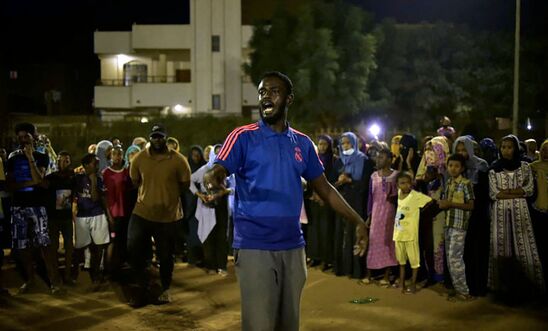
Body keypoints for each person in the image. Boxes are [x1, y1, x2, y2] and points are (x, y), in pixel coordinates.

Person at [203, 72, 367, 331]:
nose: (265, 96)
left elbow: (325, 189)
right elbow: (219, 168)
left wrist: (359, 221)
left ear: (289, 99)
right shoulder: (243, 136)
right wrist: (214, 176)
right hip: (255, 246)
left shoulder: (302, 143)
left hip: (293, 247)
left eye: (273, 91)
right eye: (261, 91)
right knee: (260, 325)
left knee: (288, 325)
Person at [128, 124, 191, 307]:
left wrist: (167, 197)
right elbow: (134, 182)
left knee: (165, 255)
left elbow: (185, 185)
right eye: (154, 136)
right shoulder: (139, 158)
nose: (157, 140)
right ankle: (140, 288)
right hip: (142, 212)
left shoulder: (179, 160)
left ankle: (165, 288)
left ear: (165, 138)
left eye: (160, 137)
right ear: (150, 138)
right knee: (134, 249)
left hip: (168, 216)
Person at [6, 123, 62, 295]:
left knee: (45, 245)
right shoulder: (12, 158)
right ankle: (30, 280)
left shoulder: (41, 156)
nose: (23, 140)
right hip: (18, 207)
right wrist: (33, 182)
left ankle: (54, 282)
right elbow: (12, 185)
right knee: (22, 247)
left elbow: (41, 179)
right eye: (20, 137)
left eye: (27, 137)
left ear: (33, 137)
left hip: (38, 207)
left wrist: (30, 159)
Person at [488, 135, 545, 300]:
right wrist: (516, 192)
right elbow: (494, 193)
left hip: (521, 212)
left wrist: (507, 193)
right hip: (500, 213)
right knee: (501, 248)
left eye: (509, 147)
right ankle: (501, 289)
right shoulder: (494, 169)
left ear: (516, 149)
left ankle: (532, 288)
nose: (506, 150)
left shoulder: (525, 167)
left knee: (525, 250)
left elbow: (528, 190)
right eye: (503, 147)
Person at [333, 132, 373, 279]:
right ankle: (342, 267)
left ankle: (356, 270)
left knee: (355, 234)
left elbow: (364, 185)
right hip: (341, 201)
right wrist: (339, 181)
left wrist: (350, 181)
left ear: (354, 143)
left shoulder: (364, 160)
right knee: (341, 235)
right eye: (343, 143)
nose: (345, 146)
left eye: (348, 143)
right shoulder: (338, 162)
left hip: (357, 202)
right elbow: (331, 184)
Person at [453, 136, 490, 296]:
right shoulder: (457, 167)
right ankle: (464, 286)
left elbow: (483, 193)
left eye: (464, 150)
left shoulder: (480, 165)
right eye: (458, 150)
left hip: (478, 214)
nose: (462, 153)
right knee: (464, 250)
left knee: (477, 249)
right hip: (461, 215)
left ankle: (478, 286)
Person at [437, 154, 475, 301]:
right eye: (450, 165)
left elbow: (471, 206)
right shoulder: (448, 183)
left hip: (459, 226)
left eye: (457, 166)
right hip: (448, 224)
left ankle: (464, 292)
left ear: (462, 168)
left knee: (455, 258)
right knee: (449, 257)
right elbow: (446, 202)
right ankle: (457, 288)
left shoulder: (466, 184)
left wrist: (450, 204)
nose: (453, 168)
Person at [72, 153, 112, 286]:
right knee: (79, 246)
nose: (97, 166)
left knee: (99, 246)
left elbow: (96, 198)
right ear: (86, 165)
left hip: (97, 214)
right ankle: (74, 272)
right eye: (95, 163)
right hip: (82, 216)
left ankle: (96, 273)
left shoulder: (99, 179)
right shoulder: (77, 179)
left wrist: (94, 180)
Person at [190, 144, 229, 276]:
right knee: (208, 236)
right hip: (207, 206)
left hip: (222, 206)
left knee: (222, 236)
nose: (218, 156)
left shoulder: (227, 169)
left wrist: (224, 192)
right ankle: (211, 265)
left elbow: (234, 186)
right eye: (216, 153)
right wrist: (199, 194)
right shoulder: (204, 170)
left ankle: (222, 266)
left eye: (221, 153)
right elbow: (190, 180)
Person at [362, 147, 398, 286]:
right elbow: (370, 198)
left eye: (381, 157)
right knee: (373, 242)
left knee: (388, 243)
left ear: (389, 159)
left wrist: (394, 196)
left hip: (390, 213)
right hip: (376, 214)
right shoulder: (374, 176)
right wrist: (369, 215)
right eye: (378, 157)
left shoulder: (396, 175)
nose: (378, 160)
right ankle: (369, 274)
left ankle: (386, 275)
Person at [393, 171, 433, 294]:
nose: (405, 185)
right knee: (402, 261)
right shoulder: (399, 194)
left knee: (414, 262)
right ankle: (402, 282)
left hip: (411, 235)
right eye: (402, 183)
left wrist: (420, 213)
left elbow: (430, 201)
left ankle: (414, 284)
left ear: (411, 184)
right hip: (399, 234)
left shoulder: (416, 196)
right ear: (397, 185)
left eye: (407, 183)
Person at [307, 135, 337, 271]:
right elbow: (309, 177)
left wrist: (322, 195)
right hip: (314, 198)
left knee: (325, 230)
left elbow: (330, 180)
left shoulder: (333, 161)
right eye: (320, 144)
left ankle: (326, 259)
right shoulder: (314, 159)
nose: (322, 147)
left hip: (326, 199)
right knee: (314, 229)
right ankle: (315, 257)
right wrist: (313, 193)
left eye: (325, 144)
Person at [44, 151, 75, 284]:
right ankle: (55, 276)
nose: (63, 163)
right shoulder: (50, 178)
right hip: (53, 218)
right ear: (57, 162)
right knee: (53, 247)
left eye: (66, 160)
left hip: (67, 218)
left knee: (69, 246)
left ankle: (67, 276)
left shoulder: (73, 178)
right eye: (61, 160)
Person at [102, 146, 132, 278]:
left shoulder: (127, 172)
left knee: (123, 241)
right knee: (112, 241)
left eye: (120, 154)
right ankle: (109, 269)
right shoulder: (105, 173)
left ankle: (120, 268)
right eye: (115, 154)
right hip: (112, 213)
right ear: (110, 156)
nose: (117, 157)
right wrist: (108, 215)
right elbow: (104, 196)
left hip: (125, 212)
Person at [530, 139, 548, 283]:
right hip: (538, 212)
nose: (545, 152)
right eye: (544, 149)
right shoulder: (533, 167)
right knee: (540, 247)